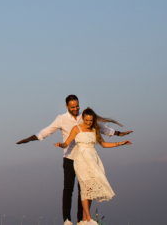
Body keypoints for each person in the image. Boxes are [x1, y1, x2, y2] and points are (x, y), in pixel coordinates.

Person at [16, 95, 132, 225]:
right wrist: (29, 139)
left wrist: (118, 133)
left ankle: (81, 220)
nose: (76, 109)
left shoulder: (85, 116)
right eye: (73, 107)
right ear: (67, 107)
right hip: (70, 157)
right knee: (68, 188)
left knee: (84, 188)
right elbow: (46, 131)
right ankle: (67, 220)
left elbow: (101, 127)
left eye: (77, 106)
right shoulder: (61, 119)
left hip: (87, 159)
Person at [54, 107, 131, 225]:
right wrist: (60, 144)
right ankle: (89, 218)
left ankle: (85, 218)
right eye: (86, 120)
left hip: (93, 159)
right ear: (83, 119)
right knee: (85, 186)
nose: (89, 123)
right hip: (81, 160)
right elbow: (67, 143)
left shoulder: (95, 130)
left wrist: (120, 143)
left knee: (90, 188)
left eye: (91, 120)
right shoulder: (77, 128)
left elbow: (104, 144)